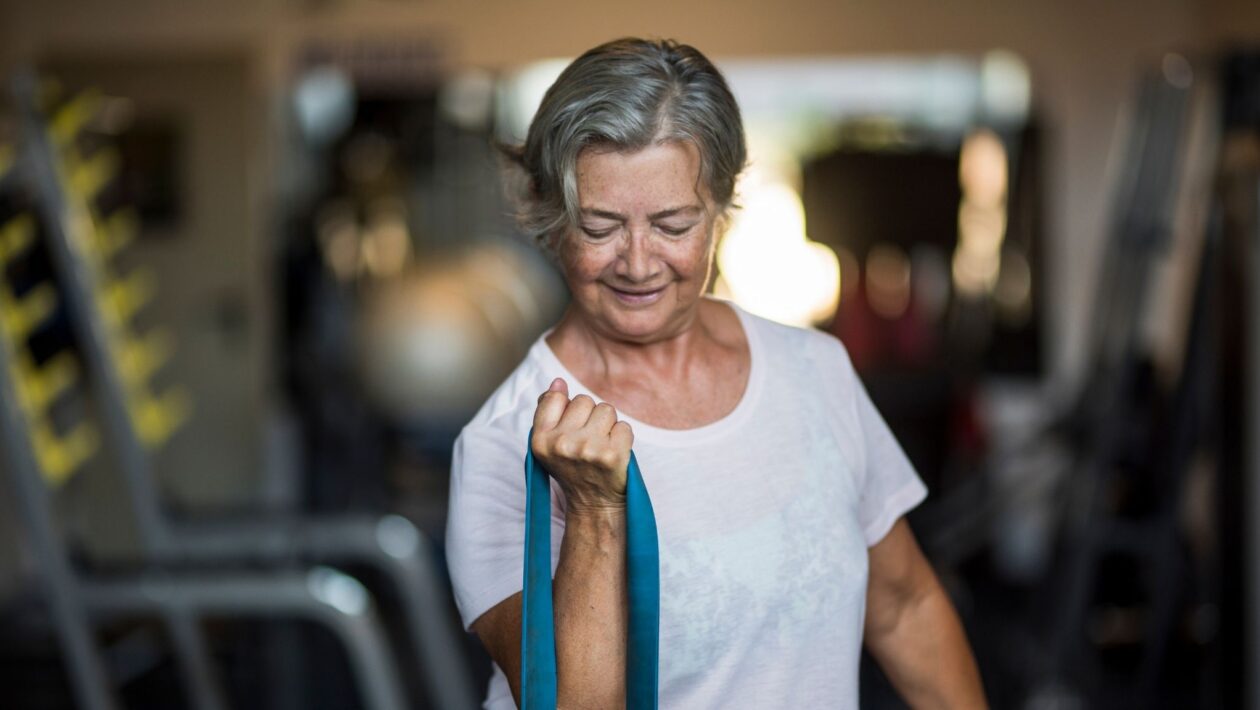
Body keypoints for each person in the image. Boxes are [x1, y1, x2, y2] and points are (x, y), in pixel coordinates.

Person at [445, 37, 987, 709]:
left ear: (722, 211)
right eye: (601, 226)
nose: (638, 263)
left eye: (672, 224)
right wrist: (593, 512)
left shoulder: (814, 371)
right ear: (554, 220)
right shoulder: (503, 444)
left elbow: (903, 607)